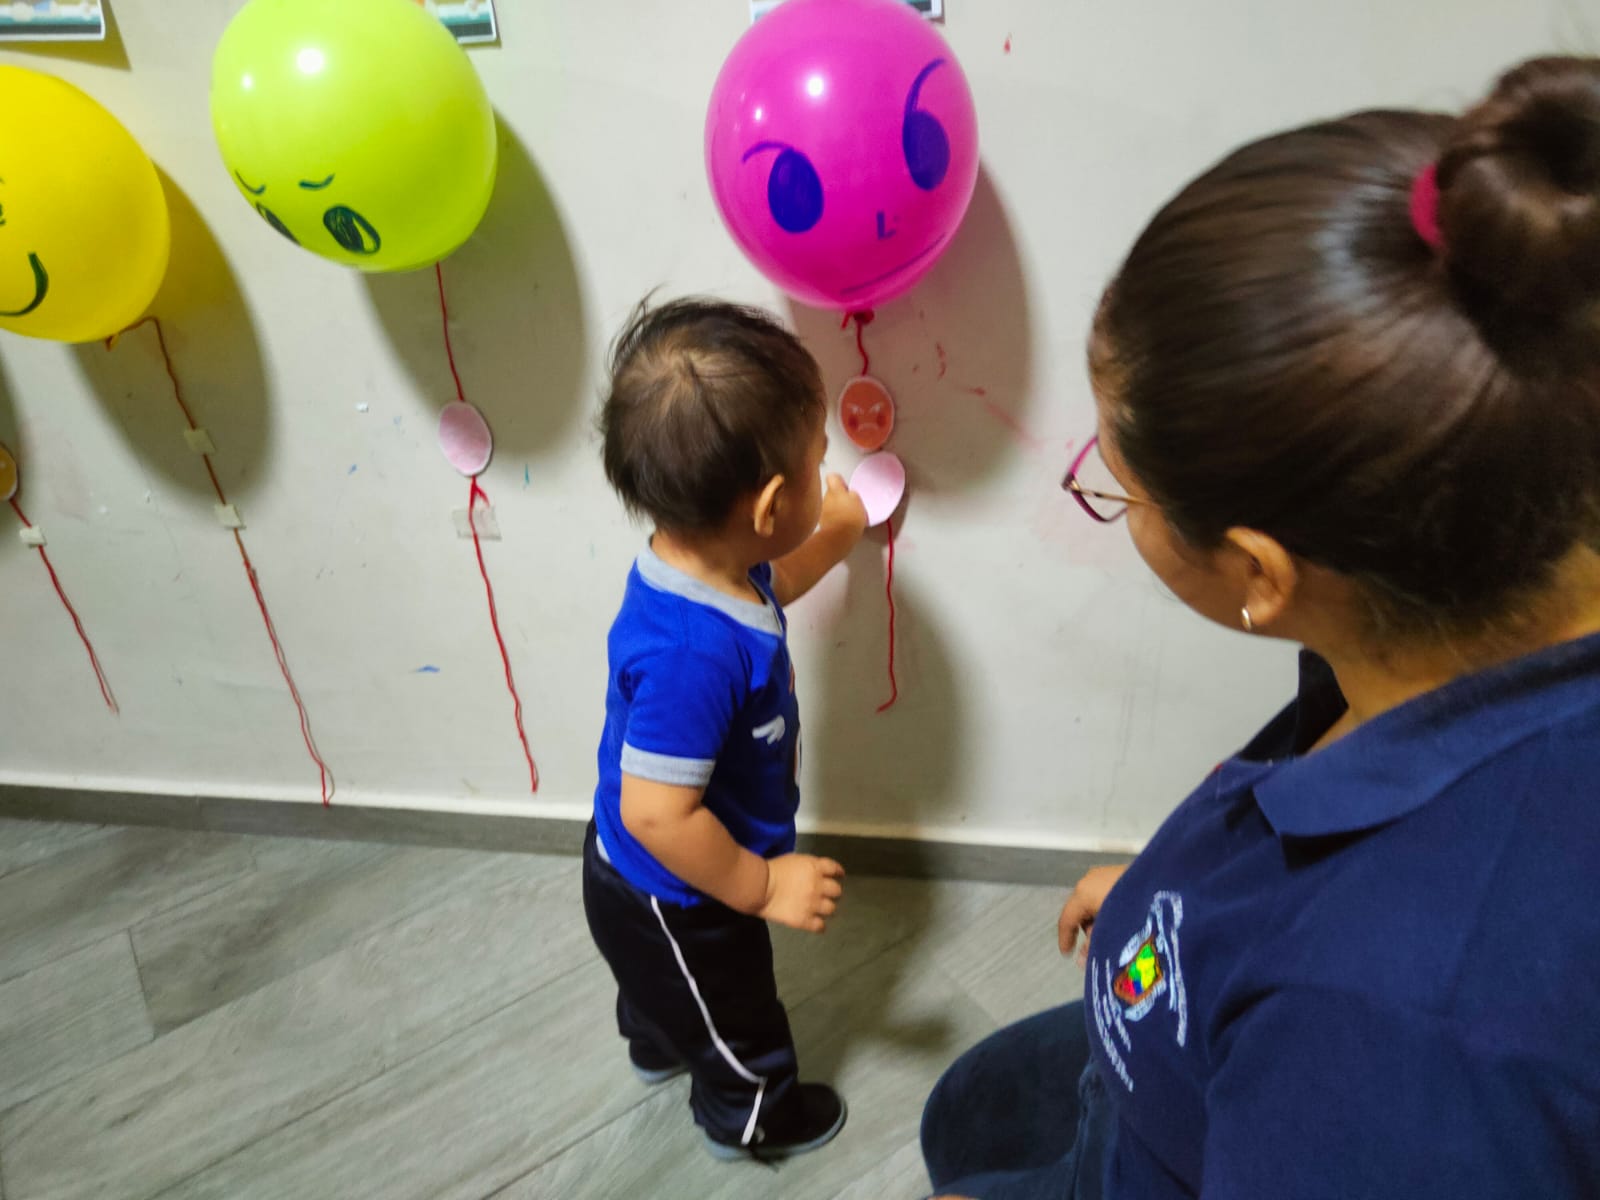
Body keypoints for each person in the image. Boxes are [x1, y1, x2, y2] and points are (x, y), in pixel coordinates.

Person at [921, 55, 1600, 1199]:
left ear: (1258, 571)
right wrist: (1190, 898)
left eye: (1115, 486)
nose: (1107, 495)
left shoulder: (1396, 1043)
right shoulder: (1474, 580)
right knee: (970, 1107)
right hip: (1166, 1041)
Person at [583, 298, 869, 1162]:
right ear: (772, 503)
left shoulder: (704, 560)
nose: (827, 471)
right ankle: (750, 1117)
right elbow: (658, 814)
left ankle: (657, 1040)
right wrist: (761, 885)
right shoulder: (692, 653)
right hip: (683, 892)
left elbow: (777, 581)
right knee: (736, 1011)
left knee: (663, 989)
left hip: (641, 878)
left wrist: (836, 534)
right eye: (820, 462)